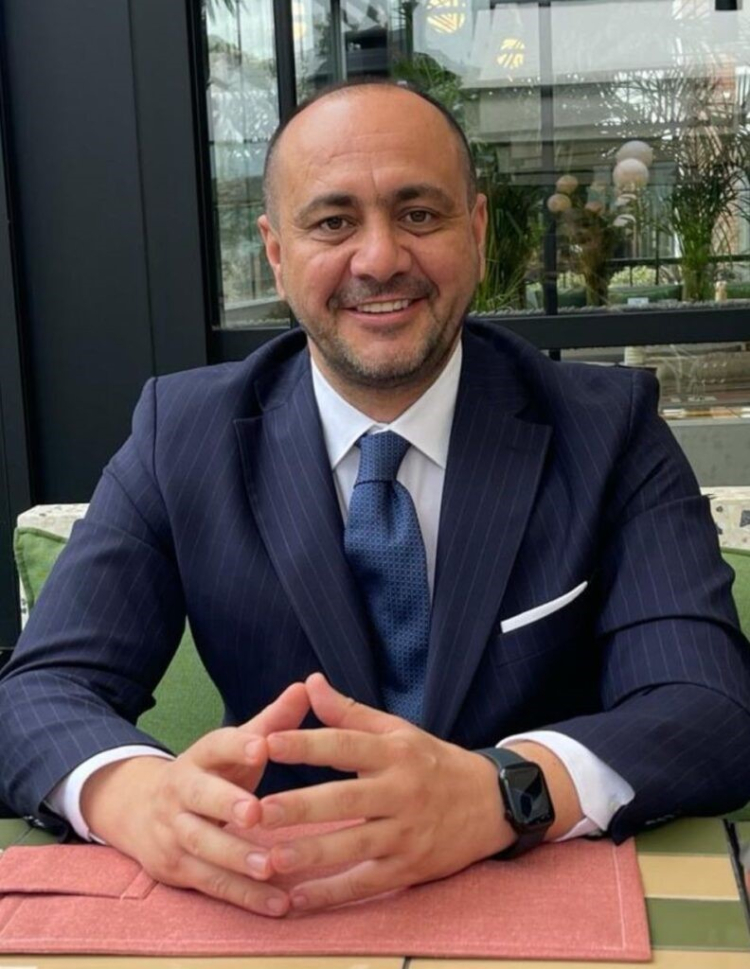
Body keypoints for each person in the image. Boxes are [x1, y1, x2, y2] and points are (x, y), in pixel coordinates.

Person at [1, 79, 749, 920]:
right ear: (275, 252)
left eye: (419, 213)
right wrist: (137, 797)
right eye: (332, 222)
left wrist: (503, 789)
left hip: (537, 897)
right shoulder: (181, 433)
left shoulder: (609, 429)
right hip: (277, 901)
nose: (380, 257)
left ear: (475, 230)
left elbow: (710, 706)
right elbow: (39, 692)